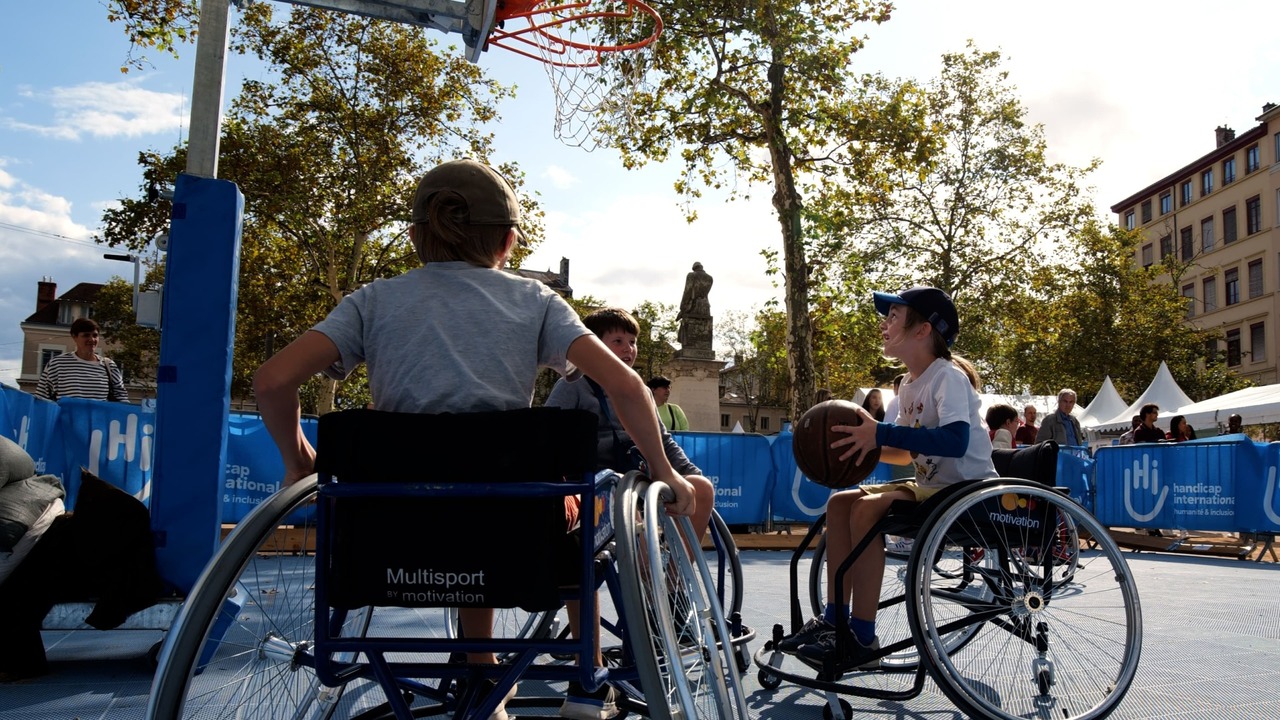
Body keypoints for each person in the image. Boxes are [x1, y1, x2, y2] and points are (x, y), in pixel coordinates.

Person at [251, 159, 694, 720]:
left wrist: (298, 464)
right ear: (510, 241)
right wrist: (666, 470)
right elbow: (627, 387)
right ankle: (571, 677)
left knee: (463, 498)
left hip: (392, 531)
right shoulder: (536, 303)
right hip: (509, 531)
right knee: (554, 510)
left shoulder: (372, 300)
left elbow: (271, 381)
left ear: (415, 236)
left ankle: (482, 668)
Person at [776, 286, 996, 667]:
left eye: (894, 316)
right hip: (932, 488)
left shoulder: (948, 377)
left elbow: (956, 442)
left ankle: (863, 636)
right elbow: (902, 449)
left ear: (923, 330)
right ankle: (833, 621)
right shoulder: (908, 385)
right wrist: (859, 444)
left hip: (966, 492)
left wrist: (880, 433)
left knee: (867, 511)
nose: (884, 324)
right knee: (840, 501)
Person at [547, 310, 714, 543]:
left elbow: (662, 439)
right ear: (593, 346)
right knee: (624, 500)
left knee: (701, 487)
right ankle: (644, 573)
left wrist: (688, 473)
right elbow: (549, 435)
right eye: (618, 341)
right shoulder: (571, 385)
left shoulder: (641, 391)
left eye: (633, 342)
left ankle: (674, 577)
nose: (629, 348)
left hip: (638, 476)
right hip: (595, 483)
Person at [34, 318, 128, 402]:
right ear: (74, 337)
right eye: (86, 335)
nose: (92, 339)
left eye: (95, 335)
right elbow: (41, 399)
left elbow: (122, 401)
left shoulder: (109, 366)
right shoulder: (57, 364)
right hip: (65, 421)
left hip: (98, 421)